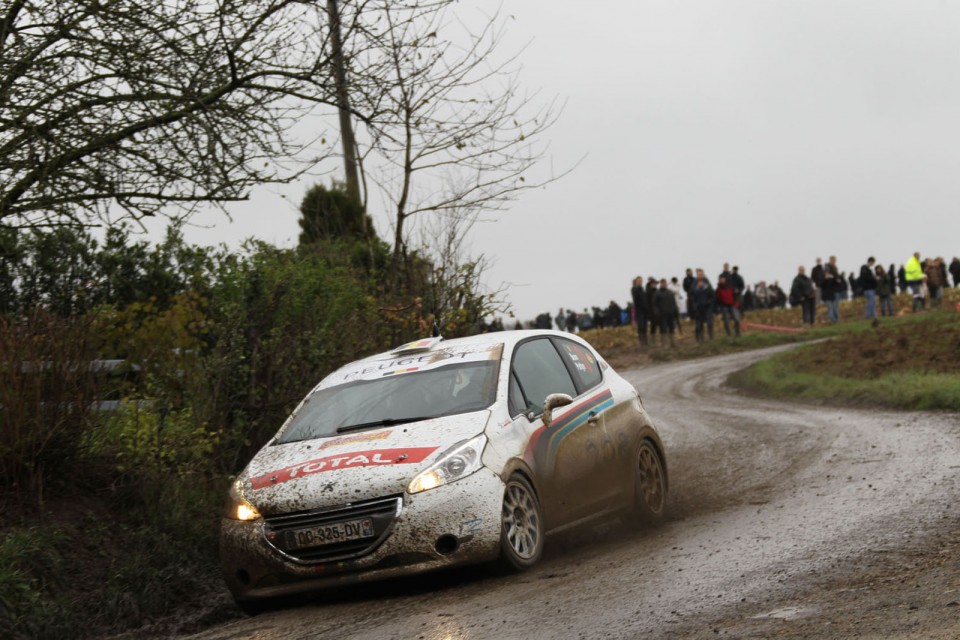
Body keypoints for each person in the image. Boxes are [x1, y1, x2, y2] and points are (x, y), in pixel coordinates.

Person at [689, 269, 714, 342]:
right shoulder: (694, 284)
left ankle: (711, 338)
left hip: (707, 306)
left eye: (701, 274)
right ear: (697, 275)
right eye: (699, 274)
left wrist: (709, 302)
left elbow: (712, 295)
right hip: (698, 307)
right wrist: (694, 304)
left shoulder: (707, 283)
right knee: (699, 324)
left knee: (709, 322)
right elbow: (691, 296)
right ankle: (700, 339)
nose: (700, 276)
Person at [654, 279, 679, 346]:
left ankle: (673, 343)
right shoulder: (657, 293)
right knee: (663, 329)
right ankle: (665, 344)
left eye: (665, 283)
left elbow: (674, 303)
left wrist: (675, 311)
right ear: (661, 284)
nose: (664, 284)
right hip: (662, 315)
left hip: (671, 314)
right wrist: (658, 313)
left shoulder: (670, 292)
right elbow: (655, 305)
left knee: (672, 328)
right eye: (663, 283)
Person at [822, 256, 842, 323]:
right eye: (832, 260)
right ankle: (833, 319)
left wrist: (838, 280)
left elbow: (836, 278)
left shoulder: (835, 268)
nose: (834, 262)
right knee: (832, 306)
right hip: (831, 291)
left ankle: (834, 319)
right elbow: (828, 278)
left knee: (835, 306)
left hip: (836, 289)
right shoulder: (827, 267)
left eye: (834, 260)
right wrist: (835, 279)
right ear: (830, 260)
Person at [630, 276, 648, 346]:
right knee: (641, 327)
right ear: (636, 281)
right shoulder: (634, 289)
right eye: (639, 281)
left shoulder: (642, 289)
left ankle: (645, 342)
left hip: (644, 311)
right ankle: (642, 342)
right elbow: (637, 300)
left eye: (641, 281)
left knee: (644, 326)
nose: (640, 282)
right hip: (639, 311)